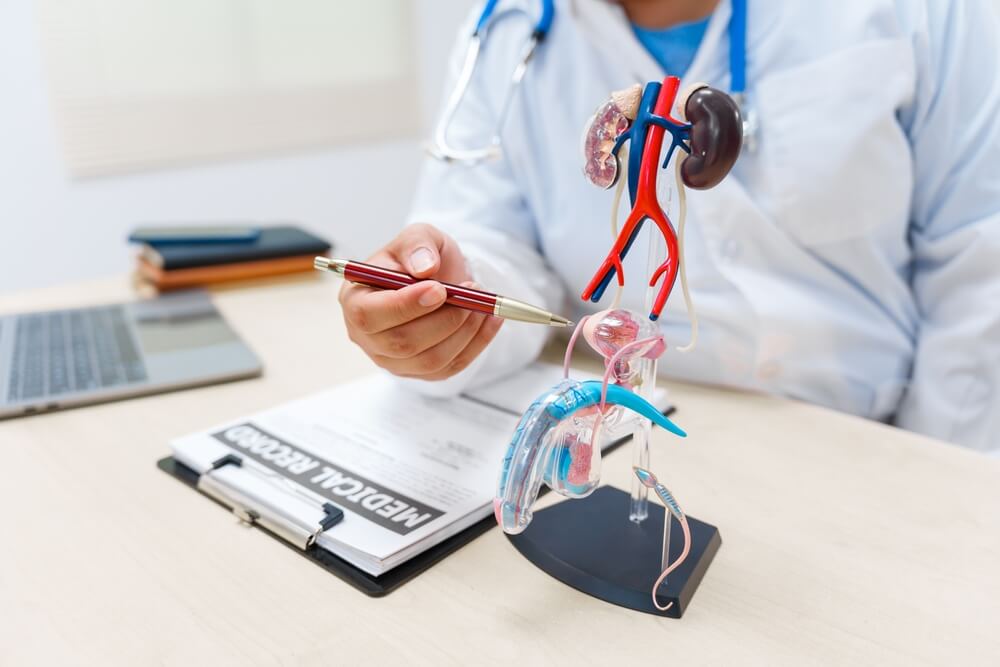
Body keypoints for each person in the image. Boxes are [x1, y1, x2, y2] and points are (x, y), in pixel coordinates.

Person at [338, 0, 1000, 452]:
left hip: (872, 435)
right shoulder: (508, 25)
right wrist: (450, 298)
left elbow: (981, 264)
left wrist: (944, 478)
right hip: (632, 441)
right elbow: (486, 236)